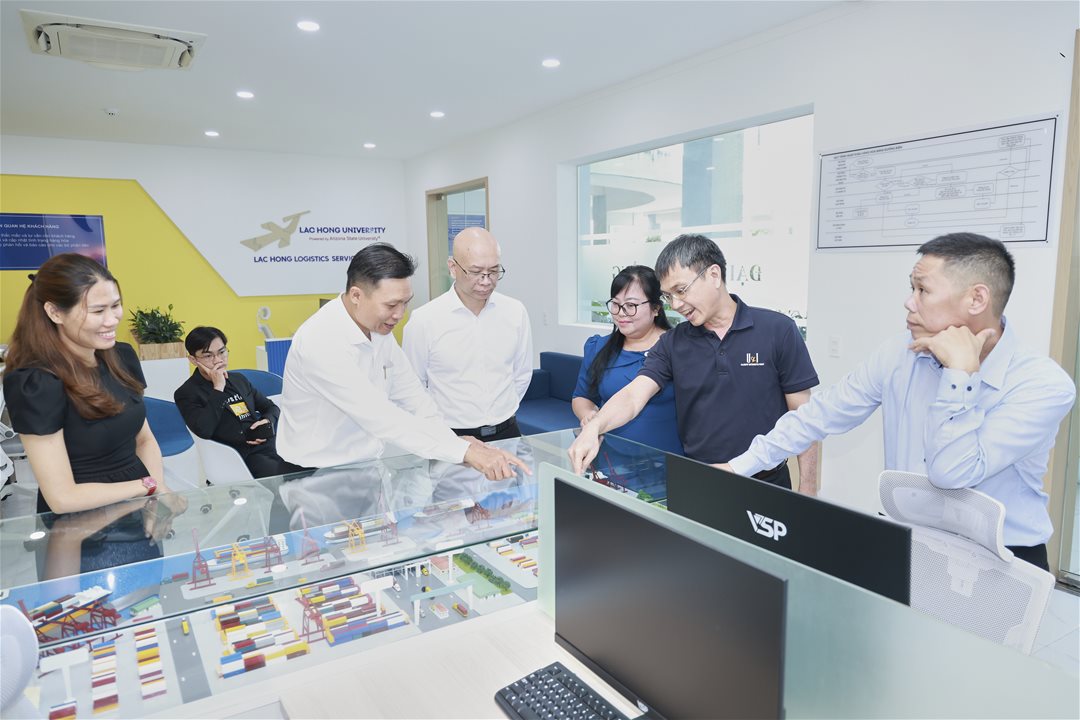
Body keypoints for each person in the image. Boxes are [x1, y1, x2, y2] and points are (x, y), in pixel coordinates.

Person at [720, 233, 1075, 569]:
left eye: (923, 290)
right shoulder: (899, 353)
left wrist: (960, 375)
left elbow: (952, 472)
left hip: (999, 562)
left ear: (977, 299)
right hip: (911, 545)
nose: (909, 302)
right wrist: (737, 469)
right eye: (912, 288)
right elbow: (819, 415)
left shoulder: (1042, 385)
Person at [568, 234, 820, 492]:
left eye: (681, 290)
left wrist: (808, 490)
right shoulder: (673, 342)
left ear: (714, 275)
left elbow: (804, 417)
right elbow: (634, 396)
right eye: (668, 296)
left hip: (767, 481)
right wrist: (594, 427)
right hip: (699, 482)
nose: (676, 305)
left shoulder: (777, 331)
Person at [277, 242, 530, 480]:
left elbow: (415, 398)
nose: (399, 314)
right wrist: (462, 451)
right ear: (356, 295)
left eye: (405, 303)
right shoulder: (321, 341)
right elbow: (380, 416)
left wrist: (454, 442)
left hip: (365, 468)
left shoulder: (378, 329)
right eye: (391, 305)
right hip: (316, 474)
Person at [2, 253, 182, 514]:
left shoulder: (121, 357)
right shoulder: (35, 382)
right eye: (97, 311)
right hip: (83, 521)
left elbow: (144, 439)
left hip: (139, 504)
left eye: (115, 305)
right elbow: (62, 498)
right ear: (55, 312)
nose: (112, 320)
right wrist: (148, 486)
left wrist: (155, 496)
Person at [402, 227, 532, 441]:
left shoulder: (515, 312)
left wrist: (499, 412)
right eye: (476, 272)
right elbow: (413, 386)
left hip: (507, 433)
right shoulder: (424, 320)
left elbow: (522, 374)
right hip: (450, 436)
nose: (486, 280)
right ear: (453, 268)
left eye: (494, 271)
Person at [571, 265, 683, 455]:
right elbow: (582, 397)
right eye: (615, 304)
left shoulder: (677, 347)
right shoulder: (598, 347)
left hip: (668, 460)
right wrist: (590, 416)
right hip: (610, 456)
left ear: (656, 308)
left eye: (631, 305)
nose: (621, 313)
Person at [174, 326, 304, 479]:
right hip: (238, 455)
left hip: (269, 444)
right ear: (193, 360)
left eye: (222, 352)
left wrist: (267, 421)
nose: (218, 360)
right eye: (208, 356)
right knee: (285, 476)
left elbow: (270, 407)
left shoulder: (238, 380)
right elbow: (204, 430)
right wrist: (218, 388)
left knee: (312, 464)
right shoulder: (187, 393)